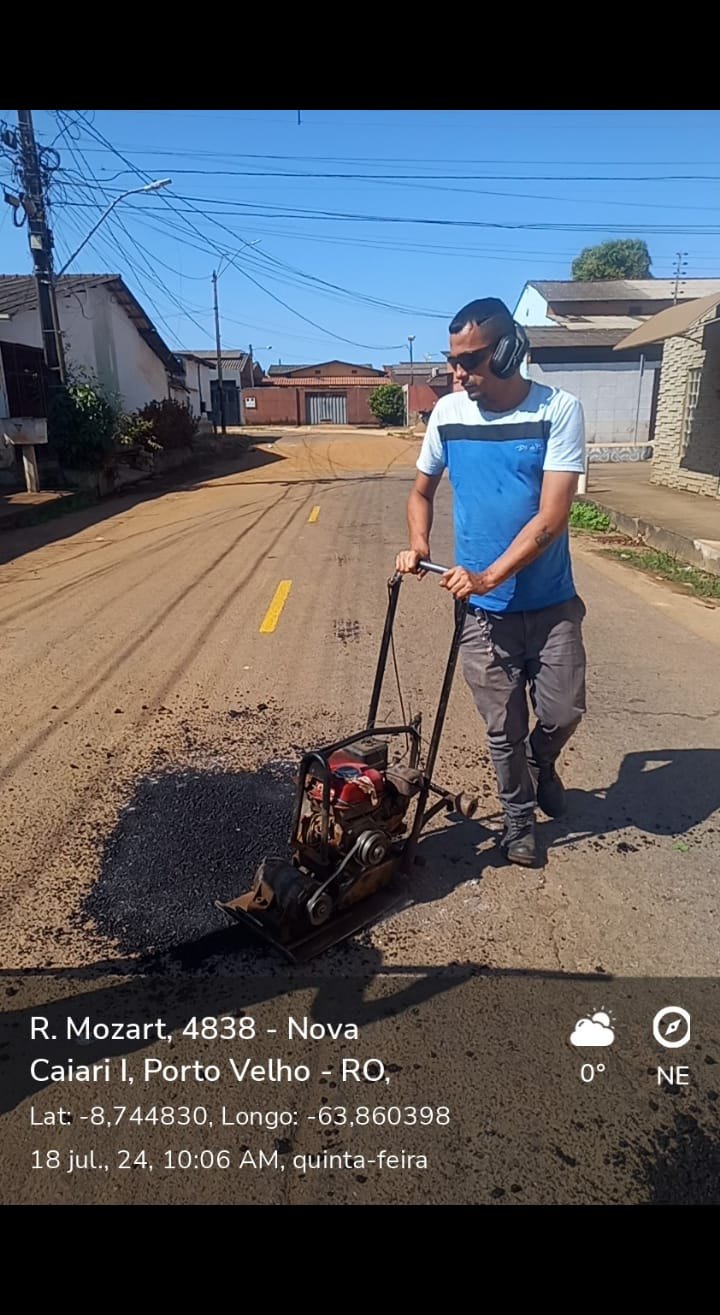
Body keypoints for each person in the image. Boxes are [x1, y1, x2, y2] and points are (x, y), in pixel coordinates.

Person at [395, 297, 587, 867]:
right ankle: (518, 821)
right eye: (455, 360)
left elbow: (551, 518)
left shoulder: (558, 410)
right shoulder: (449, 415)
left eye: (472, 360)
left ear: (508, 351)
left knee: (562, 713)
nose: (459, 373)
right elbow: (420, 492)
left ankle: (543, 761)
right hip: (482, 615)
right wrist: (421, 543)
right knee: (502, 728)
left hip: (550, 603)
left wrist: (487, 575)